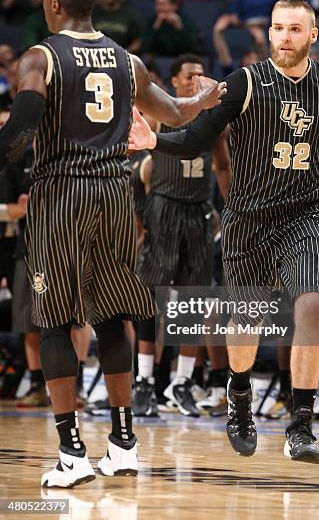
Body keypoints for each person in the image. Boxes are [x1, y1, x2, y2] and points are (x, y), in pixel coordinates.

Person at [0, 0, 225, 488]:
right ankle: (123, 444)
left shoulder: (41, 57)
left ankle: (72, 452)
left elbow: (18, 134)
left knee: (55, 320)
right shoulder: (128, 61)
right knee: (111, 316)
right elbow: (173, 113)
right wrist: (205, 99)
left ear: (52, 4)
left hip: (63, 195)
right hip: (116, 194)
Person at [129, 0, 319, 462]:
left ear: (313, 36)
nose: (284, 36)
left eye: (295, 29)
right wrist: (155, 139)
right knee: (248, 320)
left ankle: (301, 425)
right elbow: (199, 136)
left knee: (312, 305)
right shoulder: (245, 83)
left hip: (308, 212)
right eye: (278, 28)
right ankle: (239, 394)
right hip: (250, 217)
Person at [133, 54, 231, 418]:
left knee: (195, 300)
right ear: (174, 82)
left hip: (199, 210)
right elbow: (135, 172)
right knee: (150, 298)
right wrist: (139, 222)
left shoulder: (214, 118)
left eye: (201, 74)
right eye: (190, 75)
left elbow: (222, 164)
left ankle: (183, 382)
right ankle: (144, 381)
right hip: (163, 206)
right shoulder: (158, 113)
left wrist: (232, 207)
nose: (197, 80)